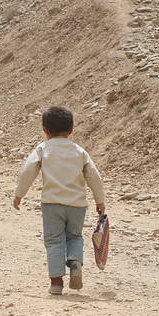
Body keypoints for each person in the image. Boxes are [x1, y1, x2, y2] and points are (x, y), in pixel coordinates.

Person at [13, 106, 106, 295]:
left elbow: (28, 170)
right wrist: (100, 200)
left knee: (54, 241)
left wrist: (19, 194)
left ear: (45, 130)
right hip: (77, 205)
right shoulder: (80, 151)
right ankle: (75, 263)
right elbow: (94, 176)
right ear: (71, 130)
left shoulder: (42, 148)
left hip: (52, 204)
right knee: (75, 236)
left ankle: (56, 283)